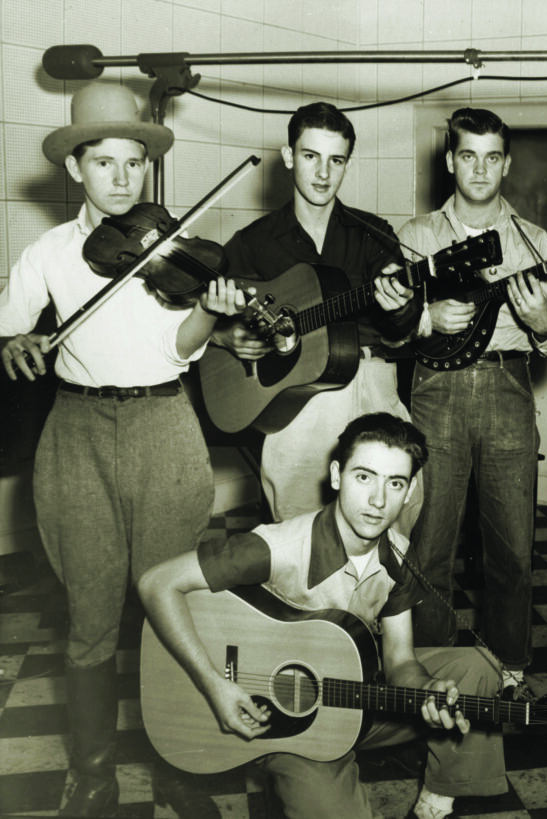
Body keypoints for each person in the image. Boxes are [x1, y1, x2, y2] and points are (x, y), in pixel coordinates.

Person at [0, 83, 249, 817]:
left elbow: (179, 350)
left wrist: (206, 311)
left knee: (169, 601)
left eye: (133, 163)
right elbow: (10, 330)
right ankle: (94, 771)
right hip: (75, 435)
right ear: (75, 167)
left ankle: (179, 763)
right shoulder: (48, 251)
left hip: (164, 427)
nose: (121, 178)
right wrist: (14, 343)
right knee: (89, 613)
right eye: (104, 162)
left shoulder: (173, 251)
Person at [138, 412, 507, 819]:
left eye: (395, 483)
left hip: (356, 694)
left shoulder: (399, 553)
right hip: (280, 723)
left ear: (411, 491)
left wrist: (429, 688)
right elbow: (156, 583)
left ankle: (437, 800)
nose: (378, 501)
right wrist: (213, 686)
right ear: (336, 475)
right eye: (364, 477)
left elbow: (400, 660)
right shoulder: (275, 547)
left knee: (477, 668)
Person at [397, 107, 547, 701]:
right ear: (450, 161)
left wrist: (543, 321)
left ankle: (510, 670)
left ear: (506, 163)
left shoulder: (535, 241)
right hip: (435, 392)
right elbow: (387, 327)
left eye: (492, 156)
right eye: (468, 155)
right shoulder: (415, 236)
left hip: (508, 388)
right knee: (429, 545)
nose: (480, 168)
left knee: (512, 548)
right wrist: (425, 319)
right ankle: (428, 670)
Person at [213, 101, 422, 528]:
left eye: (336, 160)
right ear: (290, 157)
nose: (323, 174)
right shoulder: (253, 242)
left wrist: (400, 307)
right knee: (298, 527)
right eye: (311, 157)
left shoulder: (373, 233)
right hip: (295, 401)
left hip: (369, 386)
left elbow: (401, 328)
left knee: (396, 515)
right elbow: (216, 316)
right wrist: (227, 336)